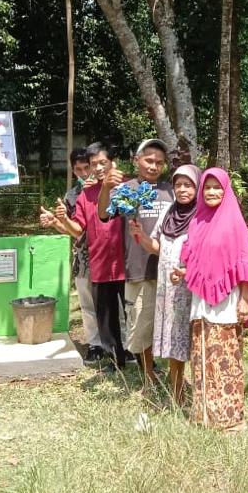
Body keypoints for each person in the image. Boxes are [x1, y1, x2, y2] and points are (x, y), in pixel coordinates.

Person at [173, 169, 248, 431]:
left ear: (226, 190)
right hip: (200, 301)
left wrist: (244, 299)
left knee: (224, 358)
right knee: (201, 355)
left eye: (217, 187)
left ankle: (230, 419)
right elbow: (196, 261)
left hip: (227, 302)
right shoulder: (198, 222)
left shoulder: (234, 222)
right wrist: (183, 273)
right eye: (207, 188)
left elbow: (244, 263)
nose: (211, 192)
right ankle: (203, 416)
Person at [98, 139, 175, 381]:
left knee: (171, 325)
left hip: (170, 269)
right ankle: (148, 375)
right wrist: (104, 188)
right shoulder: (125, 189)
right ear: (136, 160)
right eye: (149, 160)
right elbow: (103, 214)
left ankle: (173, 375)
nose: (153, 166)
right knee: (141, 326)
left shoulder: (171, 191)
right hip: (139, 269)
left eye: (159, 162)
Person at [129, 164, 201, 404]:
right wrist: (141, 235)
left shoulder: (202, 216)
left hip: (192, 288)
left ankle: (199, 392)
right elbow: (158, 247)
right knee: (173, 338)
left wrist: (189, 271)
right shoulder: (169, 211)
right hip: (168, 288)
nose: (182, 190)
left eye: (188, 185)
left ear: (197, 187)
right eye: (178, 185)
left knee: (192, 338)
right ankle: (177, 392)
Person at [53, 143, 128, 370]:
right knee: (105, 315)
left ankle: (139, 354)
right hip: (101, 263)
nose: (97, 168)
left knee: (132, 311)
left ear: (113, 162)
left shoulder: (128, 186)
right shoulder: (85, 195)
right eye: (93, 164)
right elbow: (79, 229)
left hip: (127, 263)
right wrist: (64, 220)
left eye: (102, 163)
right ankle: (115, 359)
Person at [40, 147, 102, 363]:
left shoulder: (109, 190)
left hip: (110, 258)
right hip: (84, 258)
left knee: (115, 302)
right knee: (87, 303)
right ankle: (95, 344)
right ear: (73, 170)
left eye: (87, 168)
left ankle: (120, 343)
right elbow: (73, 230)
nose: (84, 173)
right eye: (79, 170)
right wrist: (55, 222)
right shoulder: (72, 196)